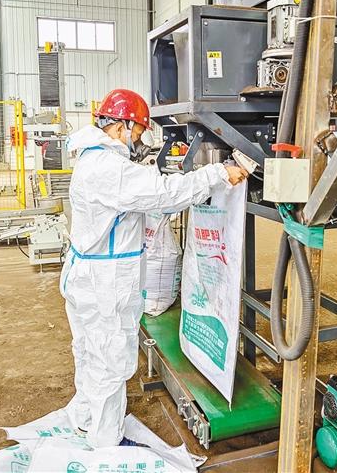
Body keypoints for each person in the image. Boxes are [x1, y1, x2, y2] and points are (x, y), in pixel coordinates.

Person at [59, 88, 247, 448]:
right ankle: (105, 441)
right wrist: (217, 173)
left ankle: (85, 419)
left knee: (90, 353)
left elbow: (144, 195)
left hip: (86, 277)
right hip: (105, 284)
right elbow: (165, 193)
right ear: (121, 126)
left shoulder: (92, 158)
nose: (139, 141)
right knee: (110, 360)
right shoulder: (110, 169)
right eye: (138, 132)